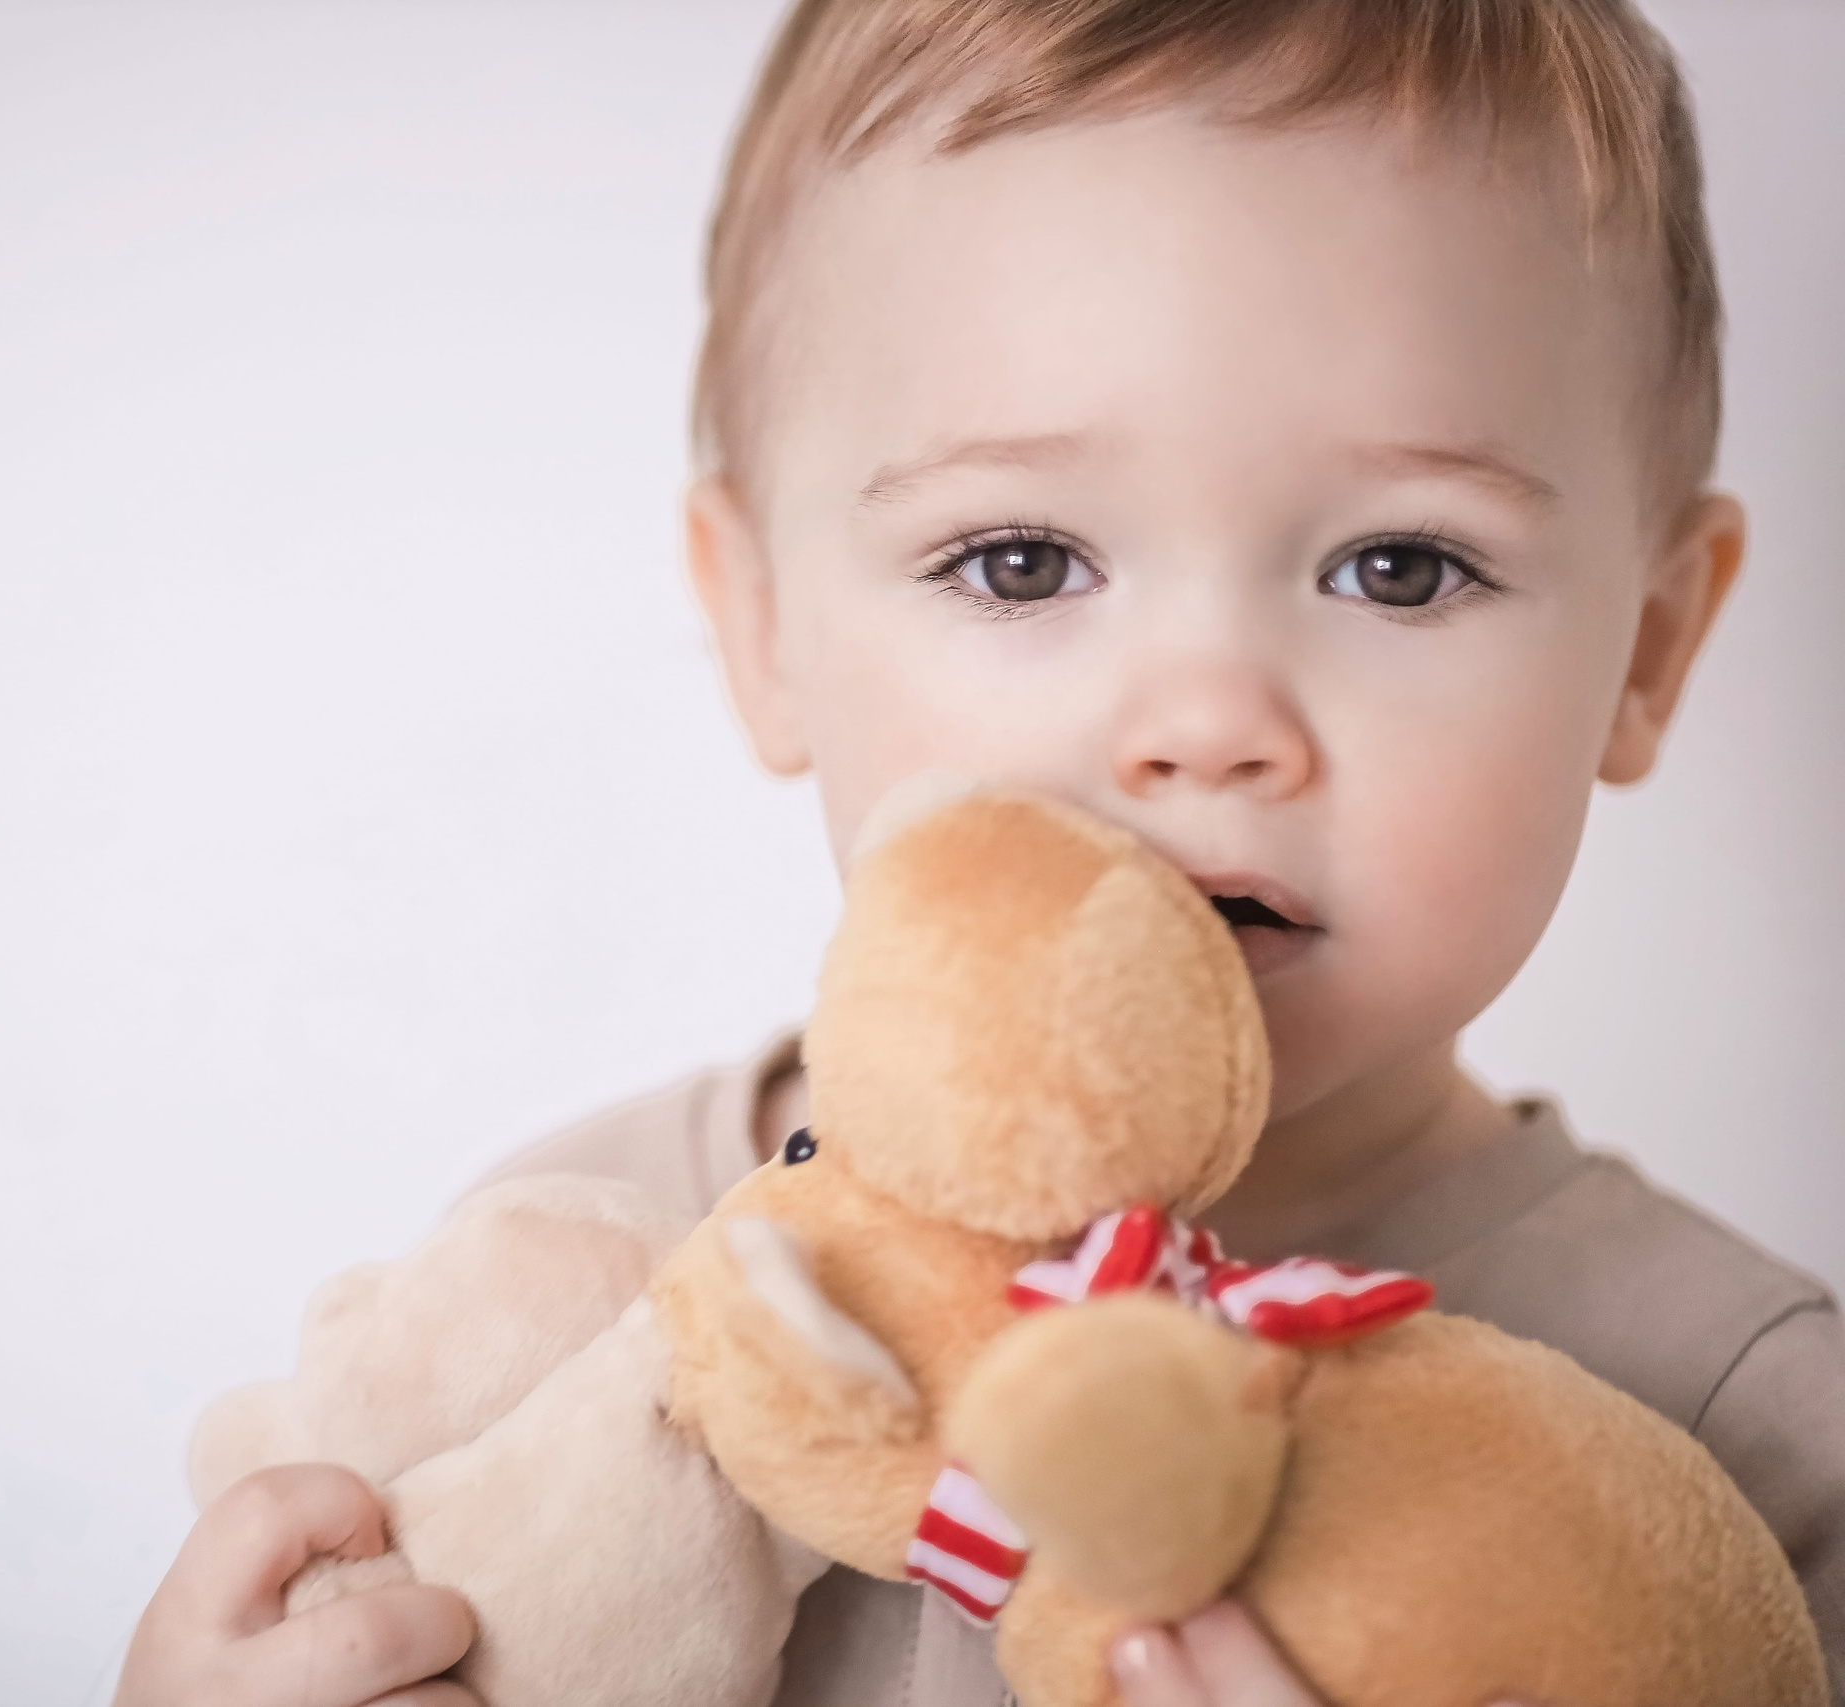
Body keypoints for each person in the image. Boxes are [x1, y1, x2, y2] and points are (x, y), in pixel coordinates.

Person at [115, 2, 1845, 1703]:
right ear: (765, 628)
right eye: (1021, 562)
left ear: (1645, 652)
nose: (1206, 721)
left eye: (1399, 568)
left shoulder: (1756, 1425)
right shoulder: (559, 1273)